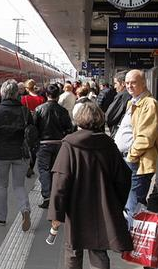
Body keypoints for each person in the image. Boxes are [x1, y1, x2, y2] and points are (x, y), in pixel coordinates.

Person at [48, 102, 133, 269]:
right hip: (102, 207)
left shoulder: (69, 145)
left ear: (79, 120)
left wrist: (56, 214)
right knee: (99, 250)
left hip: (75, 208)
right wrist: (115, 202)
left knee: (73, 250)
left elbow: (60, 182)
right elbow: (124, 178)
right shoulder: (109, 145)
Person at [0, 79, 31, 232]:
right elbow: (30, 130)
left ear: (3, 93)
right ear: (16, 93)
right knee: (19, 185)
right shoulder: (24, 111)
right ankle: (25, 210)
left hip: (2, 153)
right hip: (20, 152)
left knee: (1, 185)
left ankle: (1, 218)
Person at [115, 69, 158, 227]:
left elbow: (146, 137)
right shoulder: (132, 102)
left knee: (134, 204)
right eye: (126, 83)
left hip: (137, 162)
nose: (129, 86)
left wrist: (131, 156)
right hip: (127, 160)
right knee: (128, 202)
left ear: (143, 83)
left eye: (133, 82)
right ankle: (129, 238)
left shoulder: (149, 104)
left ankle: (133, 243)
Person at [34, 84, 73, 208]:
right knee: (56, 170)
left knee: (44, 169)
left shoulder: (39, 109)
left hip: (43, 144)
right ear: (58, 96)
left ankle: (47, 196)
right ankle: (58, 196)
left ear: (46, 95)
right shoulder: (63, 111)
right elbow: (69, 128)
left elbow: (34, 127)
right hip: (59, 144)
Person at [21, 79, 45, 177]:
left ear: (27, 88)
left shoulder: (24, 99)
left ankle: (26, 167)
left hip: (26, 126)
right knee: (34, 148)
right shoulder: (41, 99)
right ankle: (31, 167)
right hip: (37, 127)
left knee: (26, 147)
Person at [105, 70, 131, 138]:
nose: (114, 86)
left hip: (119, 133)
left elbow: (109, 116)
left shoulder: (122, 96)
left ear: (123, 83)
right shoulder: (132, 95)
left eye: (116, 83)